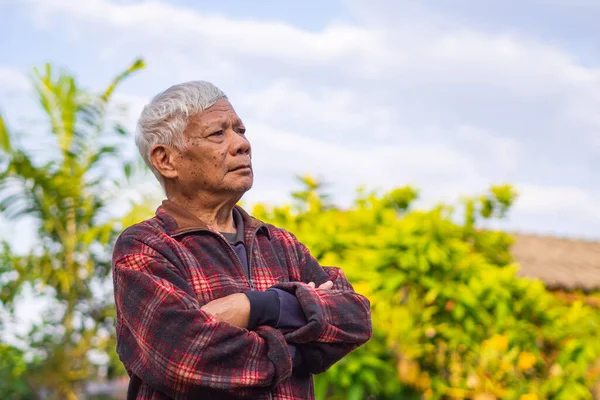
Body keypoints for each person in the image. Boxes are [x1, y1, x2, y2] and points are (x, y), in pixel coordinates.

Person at [112, 81, 372, 399]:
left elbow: (355, 316)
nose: (241, 144)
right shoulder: (146, 246)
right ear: (167, 160)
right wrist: (300, 351)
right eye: (217, 134)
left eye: (241, 130)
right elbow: (188, 356)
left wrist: (255, 306)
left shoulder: (281, 244)